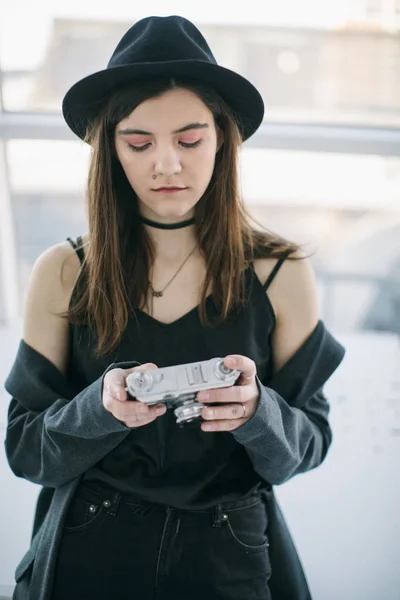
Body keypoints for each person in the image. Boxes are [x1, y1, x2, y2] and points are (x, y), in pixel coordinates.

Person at [4, 15, 345, 600]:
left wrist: (257, 411)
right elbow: (26, 451)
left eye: (189, 140)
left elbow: (306, 445)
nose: (166, 164)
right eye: (138, 143)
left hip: (228, 554)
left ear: (223, 139)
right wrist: (100, 409)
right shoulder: (64, 271)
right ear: (109, 150)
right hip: (92, 545)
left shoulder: (279, 271)